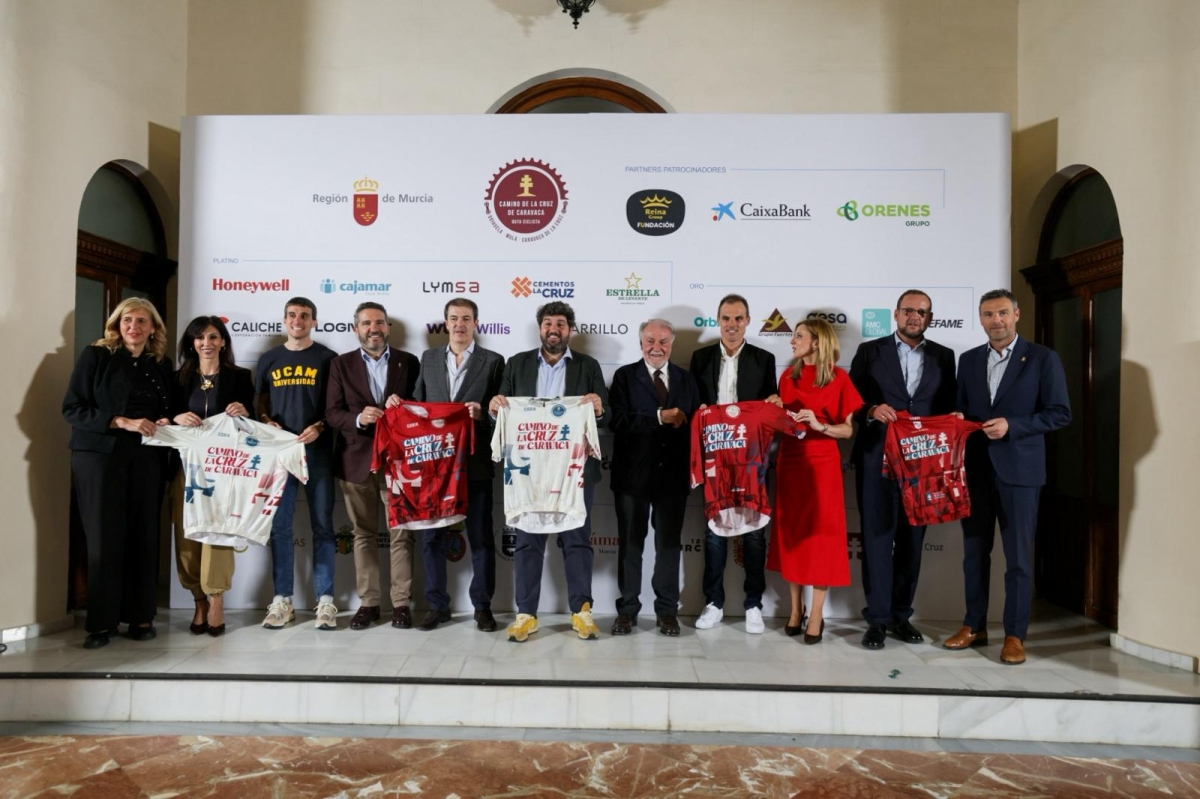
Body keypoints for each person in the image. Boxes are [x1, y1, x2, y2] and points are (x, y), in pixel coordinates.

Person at [945, 289, 1071, 665]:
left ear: (1016, 315)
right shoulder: (967, 361)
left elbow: (1060, 413)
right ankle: (974, 626)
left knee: (1017, 559)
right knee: (973, 554)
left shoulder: (1043, 358)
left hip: (1020, 473)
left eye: (1002, 313)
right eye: (987, 314)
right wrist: (958, 420)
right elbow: (964, 409)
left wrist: (1013, 425)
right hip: (976, 471)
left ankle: (1015, 635)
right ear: (980, 319)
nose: (995, 320)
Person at [487, 301, 609, 642]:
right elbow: (500, 414)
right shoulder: (516, 364)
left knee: (577, 540)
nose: (553, 329)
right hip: (528, 469)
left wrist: (599, 409)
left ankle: (581, 611)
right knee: (527, 540)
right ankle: (526, 614)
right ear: (539, 328)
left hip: (574, 469)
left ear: (570, 330)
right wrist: (495, 408)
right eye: (547, 323)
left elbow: (607, 414)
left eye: (560, 324)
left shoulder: (588, 366)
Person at [849, 290, 957, 650]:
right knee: (878, 540)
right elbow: (851, 400)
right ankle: (877, 620)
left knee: (912, 543)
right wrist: (871, 409)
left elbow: (948, 406)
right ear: (896, 314)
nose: (915, 316)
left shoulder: (944, 356)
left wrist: (953, 419)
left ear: (930, 317)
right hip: (876, 458)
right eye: (909, 310)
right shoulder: (870, 351)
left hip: (923, 466)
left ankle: (900, 616)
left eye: (922, 312)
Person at [63, 297, 173, 649]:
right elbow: (72, 408)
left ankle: (141, 616)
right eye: (127, 320)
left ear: (153, 327)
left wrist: (166, 420)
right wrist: (119, 421)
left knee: (143, 535)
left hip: (147, 458)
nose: (134, 327)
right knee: (104, 538)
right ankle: (101, 624)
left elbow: (167, 409)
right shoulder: (96, 356)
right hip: (99, 456)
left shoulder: (161, 364)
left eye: (142, 321)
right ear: (116, 324)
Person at [688, 294, 779, 634]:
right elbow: (692, 402)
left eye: (738, 319)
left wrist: (773, 402)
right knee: (714, 533)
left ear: (748, 321)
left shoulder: (764, 359)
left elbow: (771, 406)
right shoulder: (700, 359)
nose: (731, 324)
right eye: (726, 318)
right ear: (717, 320)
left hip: (752, 459)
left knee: (754, 534)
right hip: (715, 459)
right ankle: (713, 603)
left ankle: (754, 603)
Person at [768, 317, 863, 644]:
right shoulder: (787, 376)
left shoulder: (839, 379)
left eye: (798, 336)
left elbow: (848, 430)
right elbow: (782, 425)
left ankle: (817, 615)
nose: (792, 341)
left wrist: (819, 425)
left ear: (817, 342)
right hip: (790, 463)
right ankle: (796, 610)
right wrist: (774, 410)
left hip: (822, 464)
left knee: (821, 540)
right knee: (792, 537)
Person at [326, 302, 420, 631]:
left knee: (401, 535)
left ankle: (401, 603)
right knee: (363, 534)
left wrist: (404, 406)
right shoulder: (341, 364)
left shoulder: (409, 362)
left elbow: (421, 409)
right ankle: (368, 603)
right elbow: (332, 413)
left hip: (398, 461)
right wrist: (357, 418)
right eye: (366, 323)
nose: (373, 328)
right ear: (356, 329)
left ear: (388, 327)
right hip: (356, 460)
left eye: (379, 322)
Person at [412, 297, 504, 632]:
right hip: (434, 466)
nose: (460, 324)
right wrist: (398, 406)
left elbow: (500, 418)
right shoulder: (429, 359)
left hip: (474, 464)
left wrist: (484, 415)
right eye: (454, 318)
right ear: (445, 323)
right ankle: (437, 605)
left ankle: (482, 607)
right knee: (432, 539)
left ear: (476, 323)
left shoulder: (494, 362)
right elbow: (417, 407)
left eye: (466, 318)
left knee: (480, 538)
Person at [609, 319, 701, 637]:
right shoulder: (623, 377)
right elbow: (615, 420)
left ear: (672, 345)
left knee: (669, 547)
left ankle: (666, 612)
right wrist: (659, 417)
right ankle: (627, 612)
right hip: (632, 478)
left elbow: (695, 426)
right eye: (650, 340)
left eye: (663, 341)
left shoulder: (686, 380)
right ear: (640, 343)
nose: (656, 347)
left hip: (672, 479)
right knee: (630, 547)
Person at [169, 315, 256, 637]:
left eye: (213, 337)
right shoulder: (177, 378)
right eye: (200, 338)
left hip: (225, 472)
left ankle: (217, 599)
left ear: (223, 342)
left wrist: (246, 414)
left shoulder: (240, 377)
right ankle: (198, 600)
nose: (207, 343)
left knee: (218, 535)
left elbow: (255, 426)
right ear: (192, 344)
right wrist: (175, 416)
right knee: (188, 537)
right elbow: (161, 419)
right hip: (185, 471)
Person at [256, 297, 338, 630]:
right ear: (284, 320)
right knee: (280, 527)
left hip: (317, 452)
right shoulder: (270, 358)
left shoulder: (327, 358)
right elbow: (259, 398)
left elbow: (336, 405)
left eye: (304, 315)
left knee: (322, 525)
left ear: (314, 322)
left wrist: (320, 426)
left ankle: (326, 601)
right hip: (279, 454)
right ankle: (282, 601)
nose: (298, 320)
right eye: (292, 315)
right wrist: (265, 420)